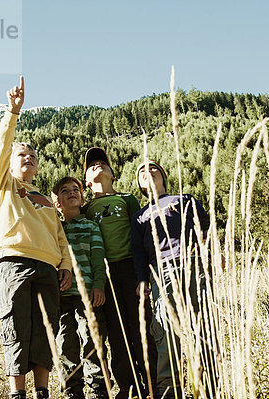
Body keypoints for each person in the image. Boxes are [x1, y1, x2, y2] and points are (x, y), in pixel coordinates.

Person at [0, 76, 73, 399]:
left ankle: (42, 392)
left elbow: (60, 237)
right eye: (21, 154)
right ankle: (17, 393)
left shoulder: (47, 202)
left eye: (32, 155)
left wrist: (64, 264)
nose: (28, 157)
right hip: (13, 262)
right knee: (16, 326)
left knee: (45, 331)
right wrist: (12, 113)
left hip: (48, 269)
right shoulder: (4, 186)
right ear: (11, 163)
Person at [130, 160, 215, 399]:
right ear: (140, 184)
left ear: (164, 176)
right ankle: (169, 389)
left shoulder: (184, 199)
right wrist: (142, 279)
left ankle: (209, 385)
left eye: (154, 167)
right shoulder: (140, 216)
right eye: (141, 171)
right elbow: (137, 251)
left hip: (194, 262)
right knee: (165, 327)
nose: (148, 171)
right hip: (161, 270)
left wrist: (213, 256)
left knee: (204, 324)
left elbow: (206, 230)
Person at [83, 147, 157, 399]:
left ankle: (153, 381)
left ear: (113, 175)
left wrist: (143, 274)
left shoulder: (126, 200)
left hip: (129, 266)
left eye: (102, 163)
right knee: (116, 331)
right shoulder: (85, 209)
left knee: (141, 325)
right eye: (91, 165)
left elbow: (139, 236)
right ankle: (128, 386)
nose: (97, 165)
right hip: (103, 274)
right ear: (86, 181)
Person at [51, 176, 108, 399]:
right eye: (65, 191)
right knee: (66, 345)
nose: (72, 193)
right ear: (57, 203)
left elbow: (98, 258)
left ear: (82, 197)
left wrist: (99, 286)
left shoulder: (91, 226)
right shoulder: (54, 229)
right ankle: (72, 391)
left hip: (89, 297)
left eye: (76, 189)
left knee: (93, 342)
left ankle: (99, 390)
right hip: (63, 297)